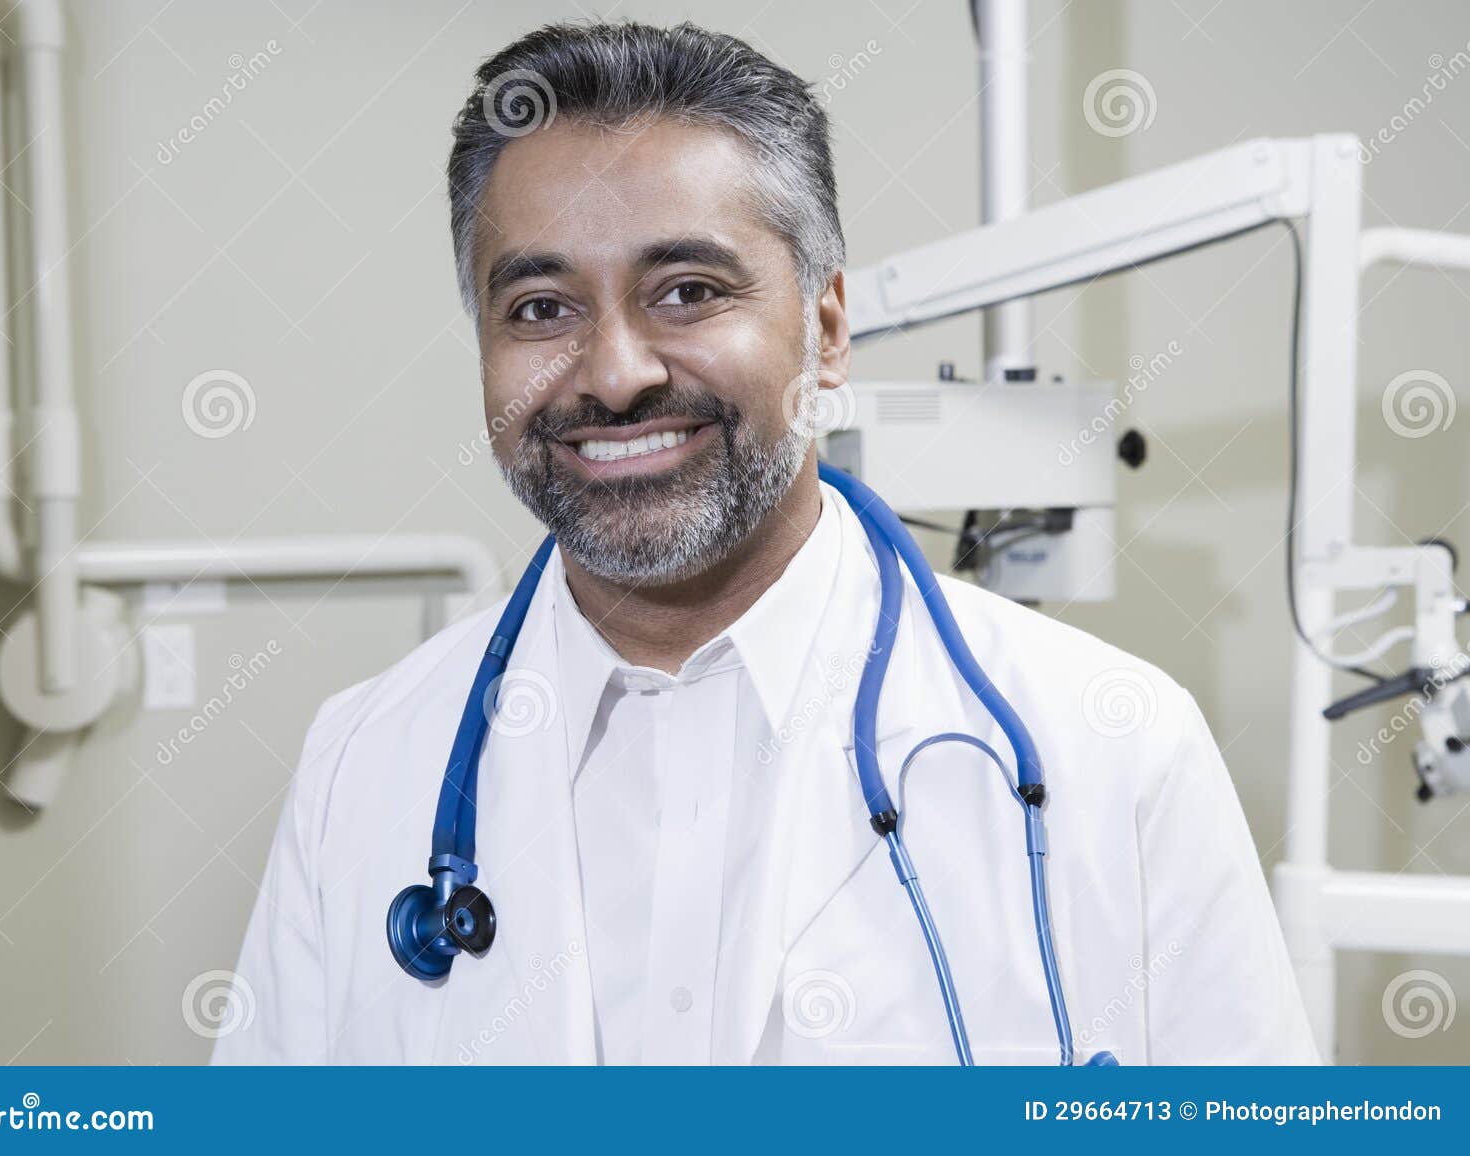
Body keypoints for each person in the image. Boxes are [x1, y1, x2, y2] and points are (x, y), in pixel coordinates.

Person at [213, 19, 1318, 1065]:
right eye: (541, 308)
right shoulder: (360, 763)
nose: (614, 373)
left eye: (686, 291)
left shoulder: (1113, 747)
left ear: (825, 330)